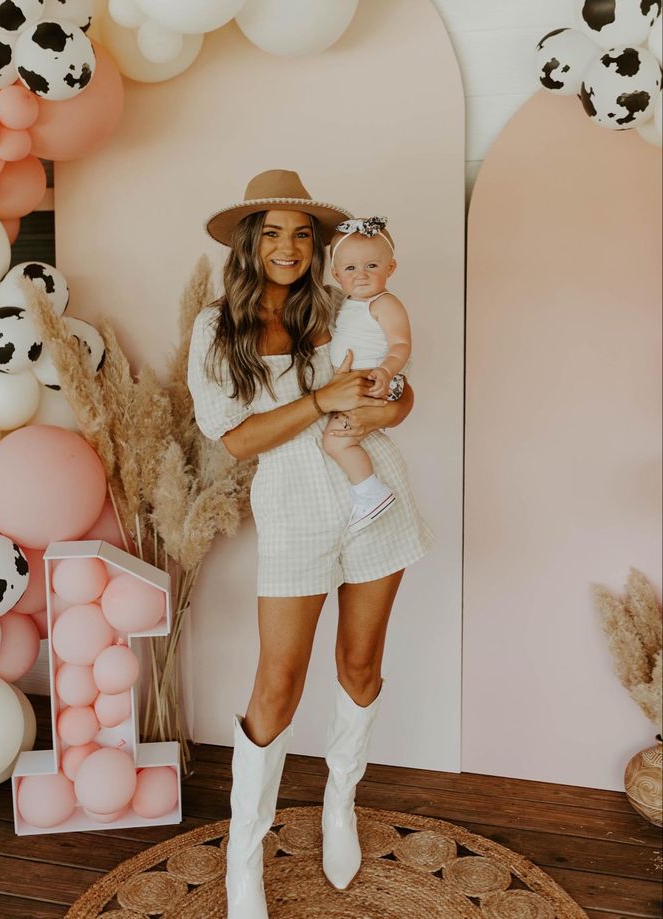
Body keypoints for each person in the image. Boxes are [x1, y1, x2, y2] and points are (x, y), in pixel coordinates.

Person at [187, 169, 433, 919]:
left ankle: (339, 802)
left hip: (372, 494)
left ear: (318, 243)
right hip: (293, 506)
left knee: (360, 662)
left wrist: (379, 407)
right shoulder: (215, 328)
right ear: (248, 241)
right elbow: (234, 439)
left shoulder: (341, 302)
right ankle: (244, 863)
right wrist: (322, 398)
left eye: (302, 233)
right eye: (271, 232)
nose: (289, 246)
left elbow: (401, 391)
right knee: (277, 685)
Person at [324, 216, 410, 532]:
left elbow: (400, 344)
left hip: (371, 382)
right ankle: (364, 490)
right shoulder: (346, 303)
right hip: (352, 383)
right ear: (336, 275)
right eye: (350, 269)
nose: (361, 275)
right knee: (337, 437)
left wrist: (386, 372)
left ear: (391, 268)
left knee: (335, 441)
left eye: (372, 266)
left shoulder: (384, 303)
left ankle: (370, 491)